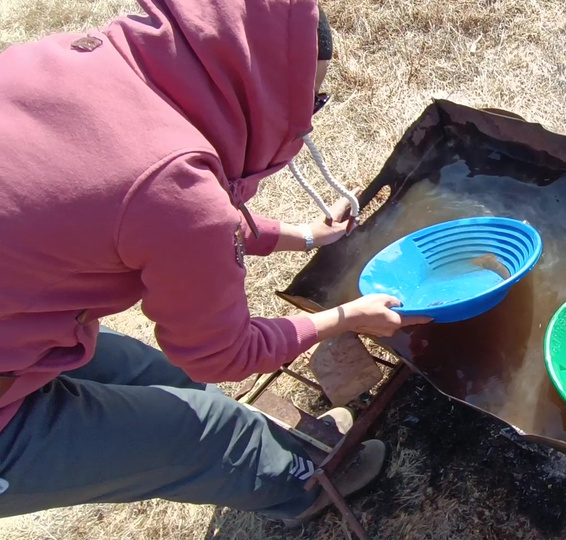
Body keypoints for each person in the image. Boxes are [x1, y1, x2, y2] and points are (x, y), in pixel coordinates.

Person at [0, 0, 428, 523]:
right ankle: (302, 486)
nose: (307, 118)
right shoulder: (171, 187)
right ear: (265, 93)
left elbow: (145, 213)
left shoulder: (75, 61)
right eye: (309, 103)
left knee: (150, 374)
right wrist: (348, 317)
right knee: (203, 433)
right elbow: (218, 352)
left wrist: (303, 236)